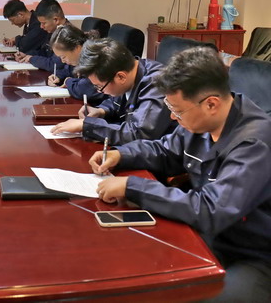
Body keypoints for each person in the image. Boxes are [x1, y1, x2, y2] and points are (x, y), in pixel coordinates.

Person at [91, 47, 271, 302]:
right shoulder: (201, 121)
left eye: (177, 110)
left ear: (211, 104)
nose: (173, 117)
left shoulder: (254, 142)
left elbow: (212, 209)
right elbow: (165, 150)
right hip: (206, 235)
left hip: (252, 253)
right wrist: (120, 155)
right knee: (133, 266)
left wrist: (133, 186)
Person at [51, 38, 176, 145]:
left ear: (121, 77)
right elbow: (117, 98)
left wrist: (87, 126)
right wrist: (102, 110)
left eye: (99, 86)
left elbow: (139, 133)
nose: (100, 91)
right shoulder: (131, 72)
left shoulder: (156, 84)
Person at [47, 25, 106, 105]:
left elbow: (85, 89)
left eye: (63, 57)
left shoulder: (96, 56)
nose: (62, 61)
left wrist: (68, 81)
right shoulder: (79, 57)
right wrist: (58, 77)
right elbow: (68, 70)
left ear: (77, 48)